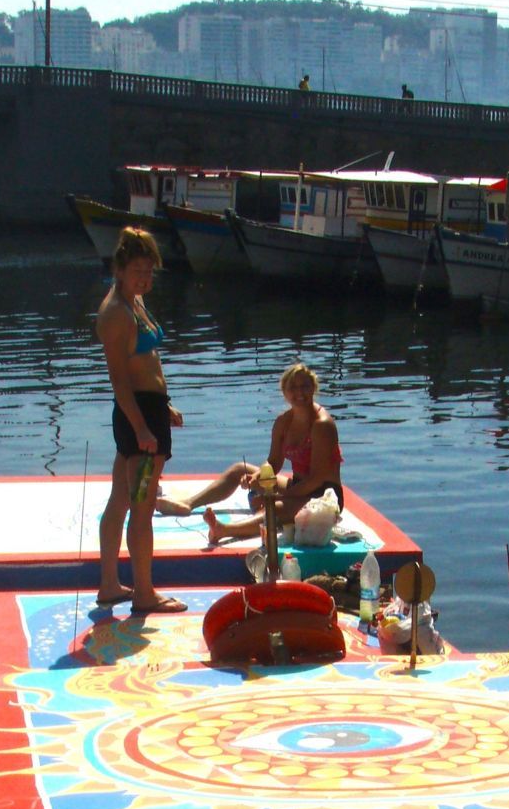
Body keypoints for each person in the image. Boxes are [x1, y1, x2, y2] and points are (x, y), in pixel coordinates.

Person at [95, 226, 187, 612]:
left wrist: (164, 406)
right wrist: (143, 428)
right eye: (137, 271)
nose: (145, 278)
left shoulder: (134, 302)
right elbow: (120, 381)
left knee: (121, 499)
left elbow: (147, 362)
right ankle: (144, 593)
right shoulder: (116, 313)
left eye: (149, 271)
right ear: (119, 269)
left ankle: (109, 586)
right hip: (139, 417)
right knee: (142, 507)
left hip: (149, 410)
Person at [164, 363, 343, 548]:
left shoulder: (322, 425)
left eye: (305, 386)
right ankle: (189, 503)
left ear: (313, 388)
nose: (300, 392)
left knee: (274, 508)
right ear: (284, 392)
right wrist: (258, 476)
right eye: (293, 387)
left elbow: (316, 479)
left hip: (324, 495)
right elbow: (274, 462)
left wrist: (276, 498)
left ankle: (224, 530)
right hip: (297, 485)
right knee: (239, 470)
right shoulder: (283, 422)